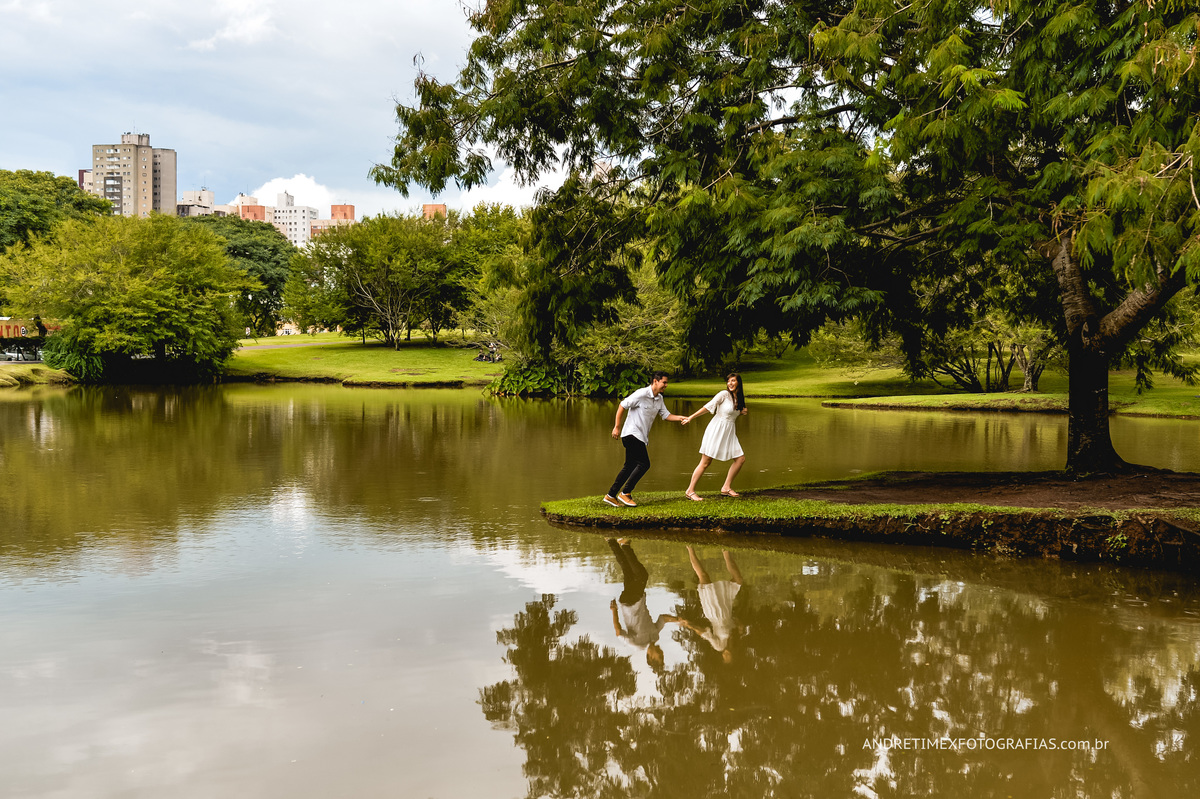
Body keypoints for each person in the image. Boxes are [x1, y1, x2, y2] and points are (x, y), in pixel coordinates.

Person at [604, 371, 686, 507]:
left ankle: (611, 495)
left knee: (629, 465)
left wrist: (681, 418)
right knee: (644, 464)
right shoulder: (641, 394)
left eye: (666, 383)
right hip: (631, 434)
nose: (666, 385)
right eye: (664, 382)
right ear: (655, 381)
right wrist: (617, 427)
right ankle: (625, 493)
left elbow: (666, 415)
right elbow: (622, 405)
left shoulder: (659, 398)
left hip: (640, 436)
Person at [608, 538, 675, 671]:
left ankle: (625, 545)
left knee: (642, 576)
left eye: (659, 657)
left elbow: (618, 633)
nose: (661, 654)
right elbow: (663, 618)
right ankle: (611, 540)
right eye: (663, 656)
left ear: (650, 657)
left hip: (630, 603)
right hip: (636, 599)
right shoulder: (655, 636)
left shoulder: (637, 645)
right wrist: (677, 620)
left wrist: (614, 610)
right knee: (627, 571)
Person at [681, 373, 748, 500]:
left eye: (733, 381)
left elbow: (734, 412)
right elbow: (708, 407)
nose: (730, 383)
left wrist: (742, 411)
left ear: (739, 382)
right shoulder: (724, 394)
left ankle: (726, 487)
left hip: (729, 432)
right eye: (728, 381)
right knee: (706, 462)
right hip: (716, 430)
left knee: (740, 459)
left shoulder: (738, 398)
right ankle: (690, 491)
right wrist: (691, 417)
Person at [677, 545, 744, 664]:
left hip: (714, 611)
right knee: (738, 580)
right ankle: (726, 550)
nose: (727, 656)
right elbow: (735, 621)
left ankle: (690, 548)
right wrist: (739, 625)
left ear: (723, 656)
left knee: (703, 576)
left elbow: (704, 633)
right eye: (730, 658)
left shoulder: (719, 646)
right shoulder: (736, 639)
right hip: (726, 607)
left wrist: (690, 625)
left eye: (725, 658)